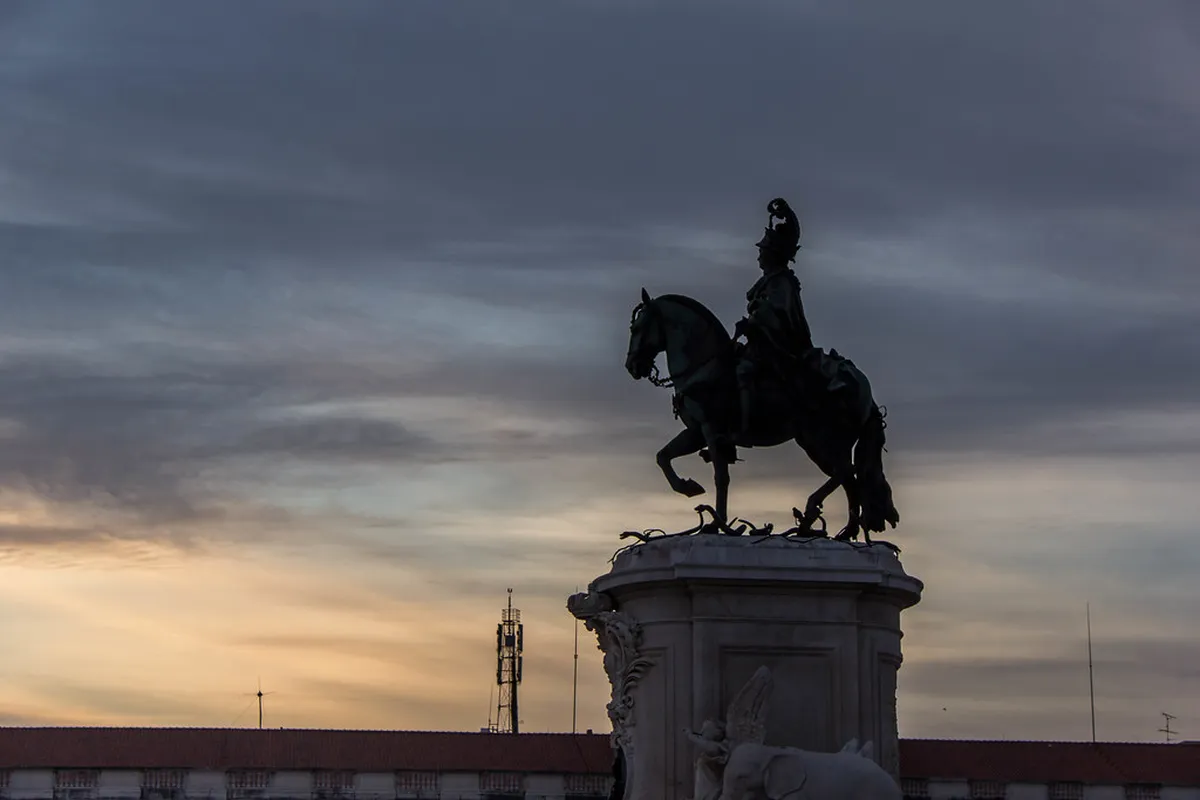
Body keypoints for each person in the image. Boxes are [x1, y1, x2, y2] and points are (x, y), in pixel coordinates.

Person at [733, 197, 819, 438]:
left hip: (780, 346)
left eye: (762, 251)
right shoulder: (769, 280)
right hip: (762, 341)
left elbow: (778, 312)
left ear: (772, 255)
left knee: (744, 372)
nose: (759, 255)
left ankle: (745, 427)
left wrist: (752, 322)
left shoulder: (782, 281)